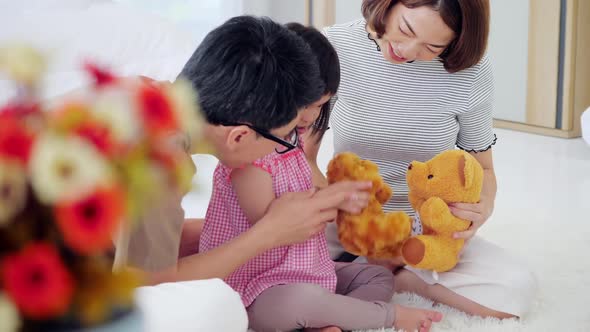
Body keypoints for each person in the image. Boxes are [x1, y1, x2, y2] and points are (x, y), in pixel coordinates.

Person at [198, 21, 441, 332]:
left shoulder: (289, 141)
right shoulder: (250, 158)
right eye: (307, 105)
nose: (312, 117)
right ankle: (385, 317)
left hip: (304, 272)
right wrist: (329, 202)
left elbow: (307, 185)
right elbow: (272, 221)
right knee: (301, 301)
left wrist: (347, 202)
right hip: (256, 290)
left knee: (376, 277)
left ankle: (327, 321)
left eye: (322, 106)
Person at [307, 0, 537, 319]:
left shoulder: (471, 73)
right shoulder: (335, 46)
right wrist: (336, 211)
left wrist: (479, 209)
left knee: (513, 291)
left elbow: (483, 168)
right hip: (344, 218)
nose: (409, 50)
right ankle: (362, 267)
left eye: (433, 46)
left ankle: (397, 275)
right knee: (262, 269)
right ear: (388, 5)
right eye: (405, 29)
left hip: (423, 227)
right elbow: (303, 156)